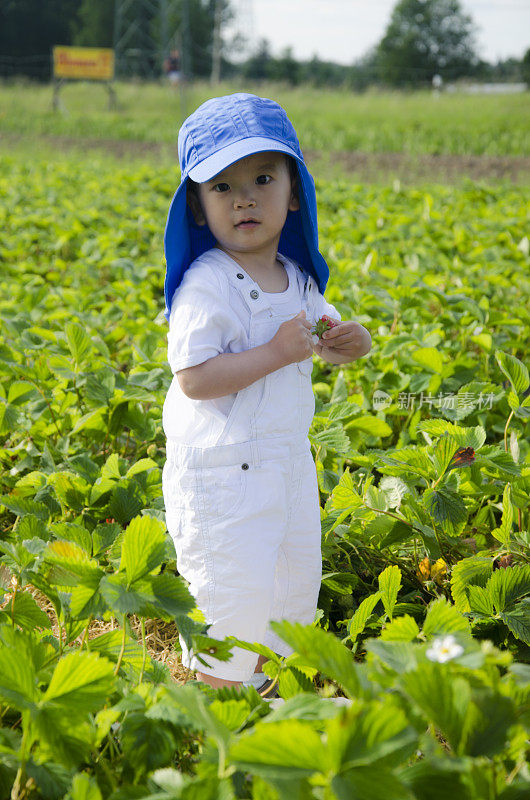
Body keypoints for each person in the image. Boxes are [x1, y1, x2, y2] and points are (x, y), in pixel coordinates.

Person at [161, 93, 371, 695]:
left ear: (293, 191)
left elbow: (319, 340)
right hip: (222, 474)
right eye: (222, 187)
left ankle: (272, 693)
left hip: (286, 460)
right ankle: (220, 706)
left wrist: (346, 342)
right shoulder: (206, 286)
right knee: (230, 587)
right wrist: (277, 353)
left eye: (262, 178)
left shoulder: (297, 277)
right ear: (198, 208)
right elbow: (195, 378)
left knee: (291, 580)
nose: (245, 198)